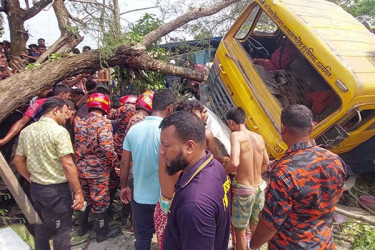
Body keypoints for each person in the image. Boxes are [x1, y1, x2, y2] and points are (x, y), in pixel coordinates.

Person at [250, 104, 349, 249]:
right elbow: (338, 193)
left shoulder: (285, 172)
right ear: (312, 127)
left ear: (283, 128)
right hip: (324, 243)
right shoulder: (335, 160)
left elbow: (270, 223)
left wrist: (252, 245)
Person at [13, 97, 84, 250]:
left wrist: (31, 178)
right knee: (62, 232)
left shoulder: (27, 131)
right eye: (65, 112)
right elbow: (68, 163)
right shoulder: (59, 132)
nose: (67, 116)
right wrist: (78, 192)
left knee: (42, 228)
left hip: (37, 189)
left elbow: (18, 161)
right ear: (55, 111)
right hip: (57, 191)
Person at [161, 111, 231, 250]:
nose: (161, 151)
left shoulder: (194, 204)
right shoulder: (214, 166)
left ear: (189, 147)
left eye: (166, 145)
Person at [120, 89, 175, 250]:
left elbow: (124, 162)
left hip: (140, 197)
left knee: (143, 238)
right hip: (163, 199)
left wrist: (124, 186)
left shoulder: (134, 129)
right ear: (170, 108)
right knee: (165, 238)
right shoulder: (168, 132)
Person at [74, 93, 118, 242]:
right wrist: (113, 162)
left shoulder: (80, 122)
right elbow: (107, 147)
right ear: (105, 106)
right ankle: (101, 234)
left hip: (81, 169)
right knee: (100, 201)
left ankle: (82, 227)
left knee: (85, 199)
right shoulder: (103, 123)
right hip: (98, 171)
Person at [224, 107, 269, 250]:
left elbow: (234, 162)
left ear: (231, 122)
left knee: (240, 231)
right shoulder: (258, 137)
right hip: (260, 188)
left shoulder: (236, 136)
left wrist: (220, 173)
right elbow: (266, 164)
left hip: (245, 190)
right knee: (255, 225)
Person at [0, 84, 71, 147]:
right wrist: (5, 140)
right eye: (68, 96)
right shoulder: (40, 102)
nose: (69, 98)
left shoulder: (63, 111)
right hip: (26, 140)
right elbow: (22, 122)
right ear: (62, 94)